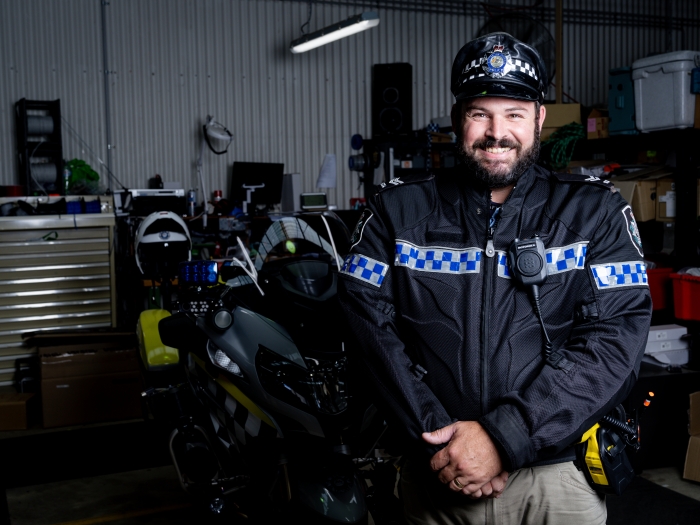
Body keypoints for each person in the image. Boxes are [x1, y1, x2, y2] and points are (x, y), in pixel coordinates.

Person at [338, 32, 652, 525]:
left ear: (540, 119)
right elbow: (366, 331)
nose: (496, 132)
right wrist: (448, 443)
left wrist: (505, 438)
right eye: (480, 113)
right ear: (458, 116)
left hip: (556, 481)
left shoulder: (596, 211)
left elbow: (615, 341)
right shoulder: (395, 210)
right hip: (437, 468)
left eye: (514, 114)